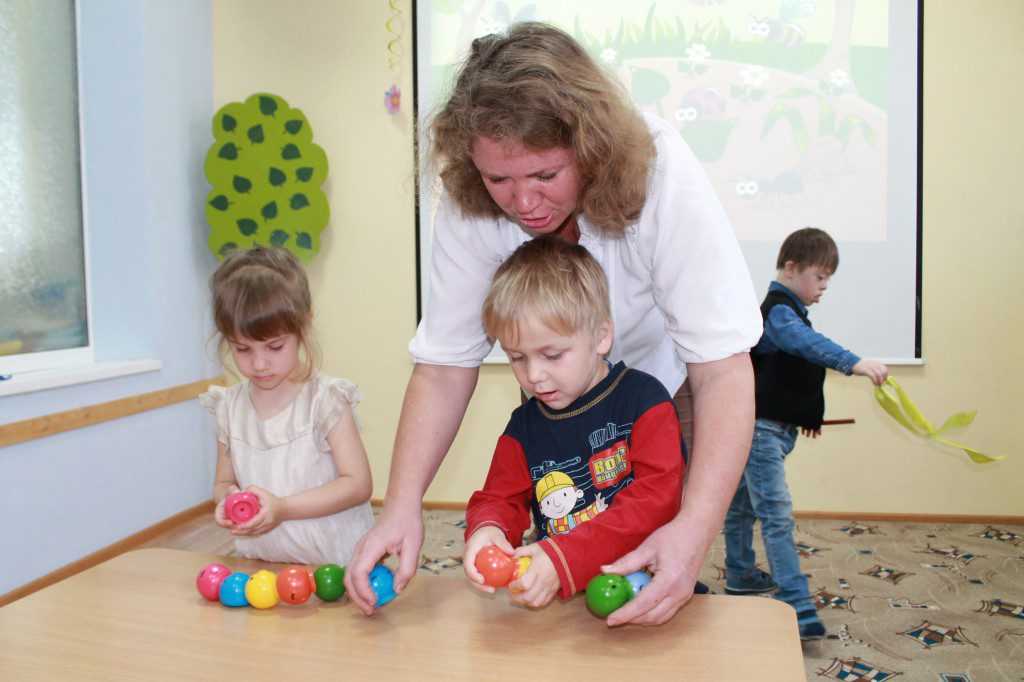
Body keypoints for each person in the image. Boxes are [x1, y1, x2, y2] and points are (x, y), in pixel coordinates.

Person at [345, 22, 763, 625]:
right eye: (499, 181)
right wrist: (400, 505)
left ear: (590, 148)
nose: (524, 202)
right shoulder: (469, 202)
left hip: (672, 386)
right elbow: (443, 366)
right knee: (563, 546)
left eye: (545, 176)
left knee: (659, 565)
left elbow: (722, 370)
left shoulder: (659, 169)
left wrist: (694, 530)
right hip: (567, 383)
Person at [463, 237, 685, 608]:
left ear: (601, 336)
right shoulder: (524, 428)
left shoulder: (644, 401)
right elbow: (499, 497)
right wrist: (488, 528)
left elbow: (656, 501)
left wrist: (564, 558)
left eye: (552, 354)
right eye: (517, 357)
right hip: (560, 596)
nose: (534, 376)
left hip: (648, 589)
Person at [722, 227, 889, 640]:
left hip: (765, 429)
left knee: (742, 507)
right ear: (792, 268)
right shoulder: (780, 312)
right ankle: (797, 606)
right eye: (819, 277)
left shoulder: (789, 312)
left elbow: (790, 374)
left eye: (829, 279)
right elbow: (806, 345)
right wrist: (854, 362)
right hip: (760, 433)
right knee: (776, 516)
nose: (824, 287)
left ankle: (741, 573)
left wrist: (804, 419)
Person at [199, 246, 374, 567]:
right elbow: (223, 482)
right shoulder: (229, 407)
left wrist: (283, 508)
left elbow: (358, 484)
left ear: (304, 326)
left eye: (274, 346)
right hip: (265, 564)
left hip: (335, 565)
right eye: (242, 349)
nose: (260, 363)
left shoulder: (326, 401)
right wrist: (228, 502)